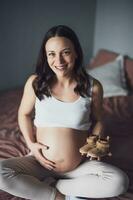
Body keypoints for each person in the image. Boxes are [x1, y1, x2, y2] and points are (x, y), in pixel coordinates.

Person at [0, 25, 129, 200]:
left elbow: (98, 120)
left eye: (66, 52)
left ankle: (58, 185)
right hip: (39, 162)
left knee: (120, 182)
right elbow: (23, 115)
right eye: (51, 54)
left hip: (79, 165)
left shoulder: (93, 86)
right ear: (46, 57)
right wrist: (31, 145)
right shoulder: (35, 83)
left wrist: (96, 144)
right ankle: (56, 196)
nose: (59, 60)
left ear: (76, 53)